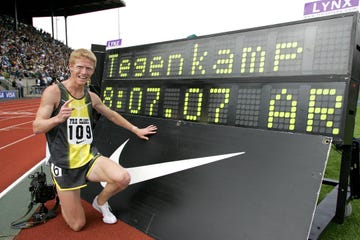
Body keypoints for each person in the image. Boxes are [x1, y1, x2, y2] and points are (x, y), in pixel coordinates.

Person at [32, 48, 157, 231]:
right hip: (64, 164)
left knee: (122, 178)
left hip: (88, 158)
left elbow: (112, 115)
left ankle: (100, 202)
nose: (84, 72)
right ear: (70, 67)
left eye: (89, 69)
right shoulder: (54, 93)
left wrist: (135, 129)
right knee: (77, 225)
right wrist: (57, 118)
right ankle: (61, 190)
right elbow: (37, 127)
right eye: (80, 67)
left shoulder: (91, 97)